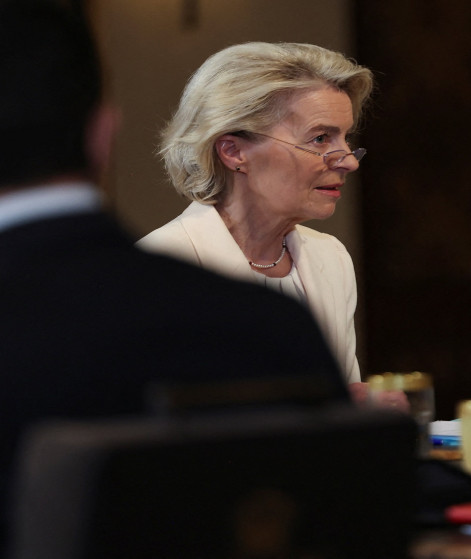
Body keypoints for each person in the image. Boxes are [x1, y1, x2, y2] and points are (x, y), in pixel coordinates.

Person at [0, 3, 350, 542]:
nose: (348, 159)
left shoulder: (311, 273)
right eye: (320, 138)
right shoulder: (265, 323)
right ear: (103, 134)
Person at [138, 41, 370, 398]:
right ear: (233, 151)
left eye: (345, 138)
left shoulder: (331, 257)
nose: (349, 161)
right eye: (320, 138)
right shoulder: (160, 268)